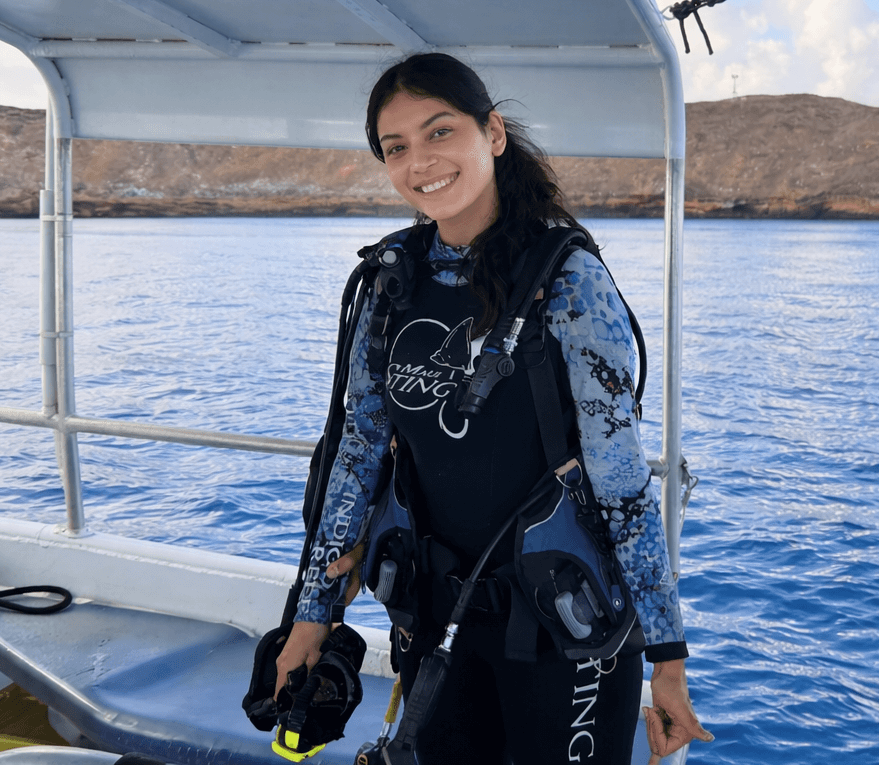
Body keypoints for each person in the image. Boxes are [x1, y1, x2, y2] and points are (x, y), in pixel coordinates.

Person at [274, 52, 712, 764]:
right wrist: (310, 618)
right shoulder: (390, 284)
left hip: (566, 635)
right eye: (397, 147)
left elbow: (623, 482)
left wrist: (668, 658)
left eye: (439, 132)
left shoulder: (567, 281)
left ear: (493, 134)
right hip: (435, 621)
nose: (421, 161)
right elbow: (356, 452)